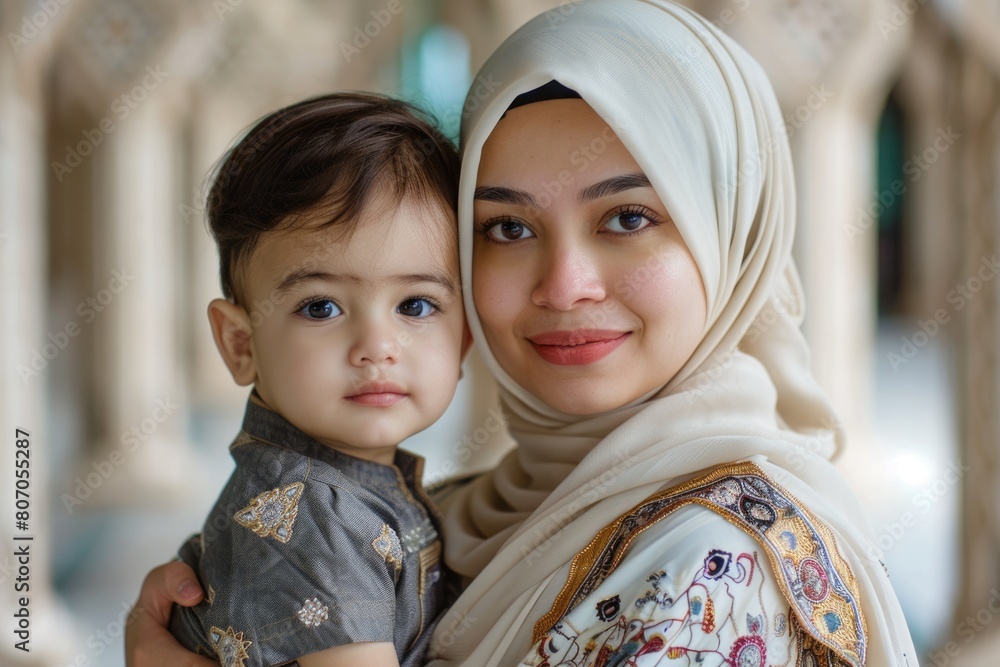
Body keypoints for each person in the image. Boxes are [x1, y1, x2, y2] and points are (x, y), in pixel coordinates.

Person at [127, 1, 917, 665]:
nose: (564, 284)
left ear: (733, 237)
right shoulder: (461, 514)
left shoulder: (714, 565)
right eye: (506, 226)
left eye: (629, 217)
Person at [162, 92, 469, 667]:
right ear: (241, 343)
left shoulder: (357, 486)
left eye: (417, 306)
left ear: (466, 339)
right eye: (321, 307)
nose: (377, 347)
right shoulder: (313, 519)